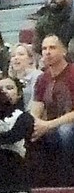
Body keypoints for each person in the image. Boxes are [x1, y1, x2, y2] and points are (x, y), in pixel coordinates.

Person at [29, 35, 74, 179]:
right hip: (50, 125)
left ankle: (67, 180)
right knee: (31, 133)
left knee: (65, 132)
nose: (47, 52)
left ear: (64, 51)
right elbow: (36, 109)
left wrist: (48, 125)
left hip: (67, 125)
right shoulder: (42, 79)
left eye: (52, 48)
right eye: (44, 48)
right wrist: (34, 125)